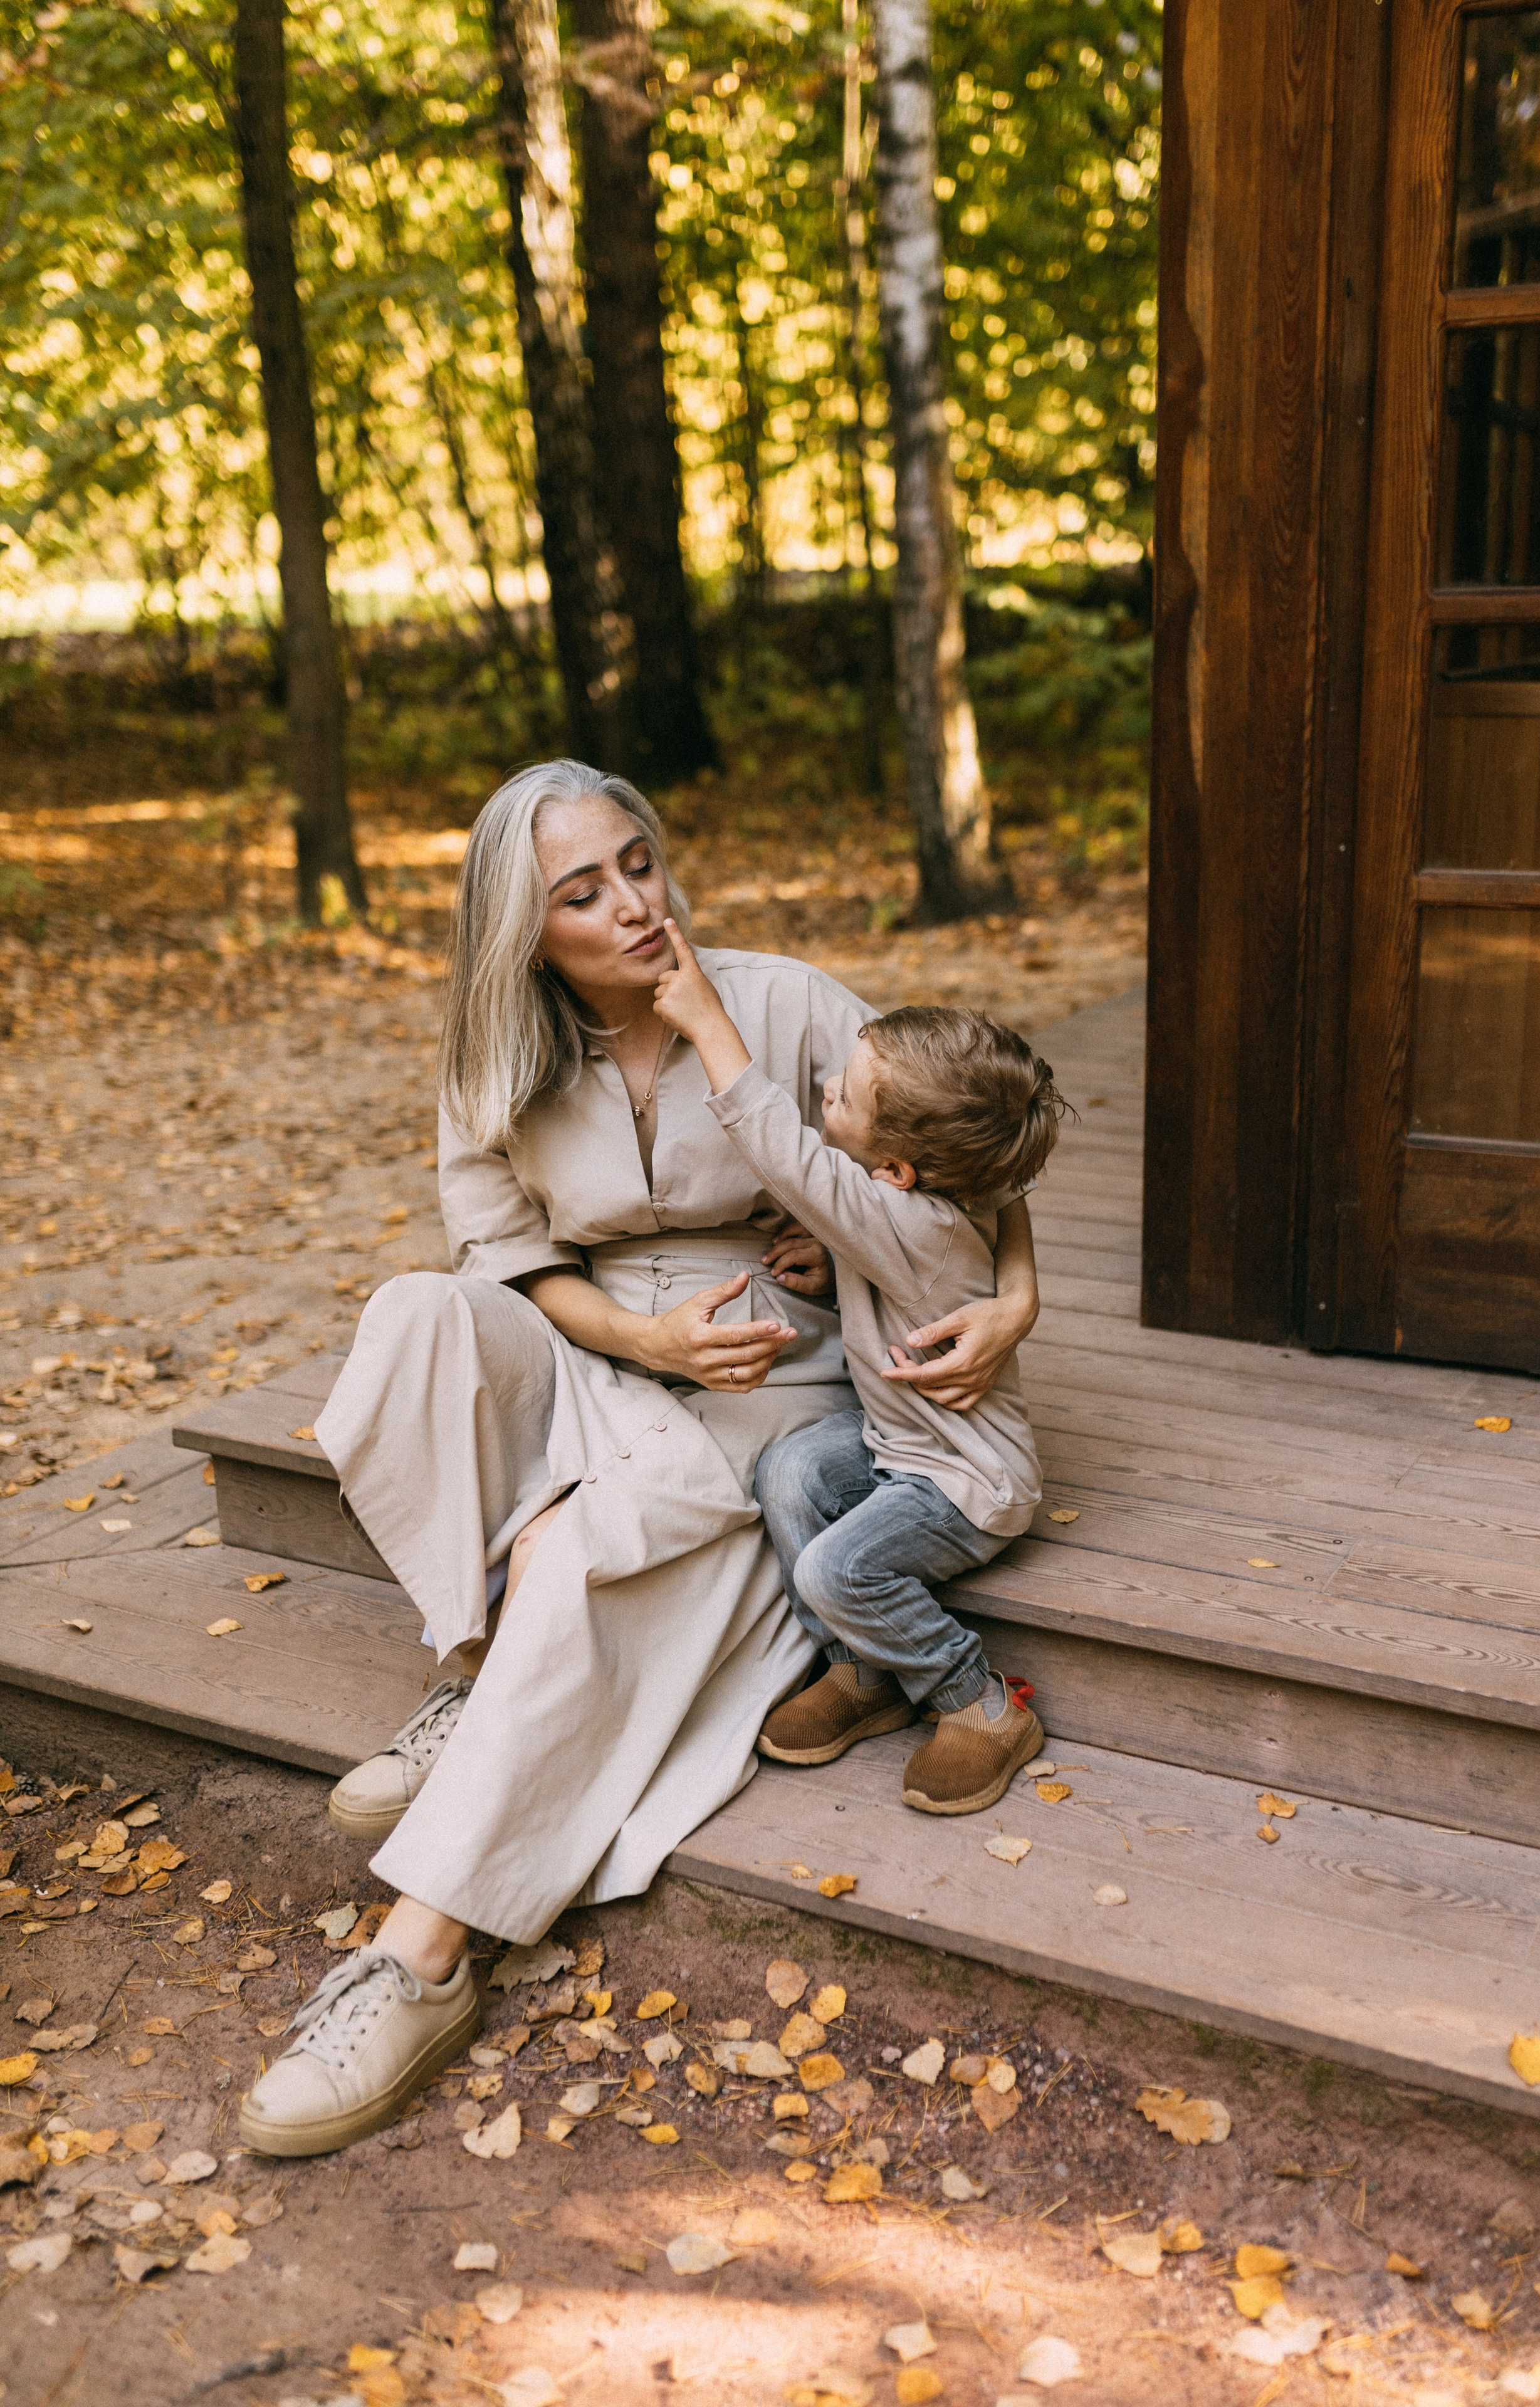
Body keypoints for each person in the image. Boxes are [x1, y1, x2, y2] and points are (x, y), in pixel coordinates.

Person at [237, 758, 1040, 2156]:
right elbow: (503, 1259)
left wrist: (1015, 1300)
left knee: (583, 1544)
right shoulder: (494, 1054)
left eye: (640, 864)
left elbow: (971, 1151)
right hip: (601, 1332)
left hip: (771, 1351)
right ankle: (478, 1662)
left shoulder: (781, 1000)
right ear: (521, 929)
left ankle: (418, 1956)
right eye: (582, 891)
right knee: (418, 1314)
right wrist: (637, 1339)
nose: (633, 905)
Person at [651, 923, 1062, 1815]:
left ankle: (977, 1702)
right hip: (895, 1444)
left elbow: (785, 1154)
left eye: (844, 1096)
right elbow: (895, 1265)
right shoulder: (922, 1206)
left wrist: (708, 1024)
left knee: (835, 1570)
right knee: (790, 1470)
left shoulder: (902, 1218)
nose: (825, 1088)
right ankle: (862, 1672)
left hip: (964, 1482)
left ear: (898, 1171)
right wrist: (839, 1277)